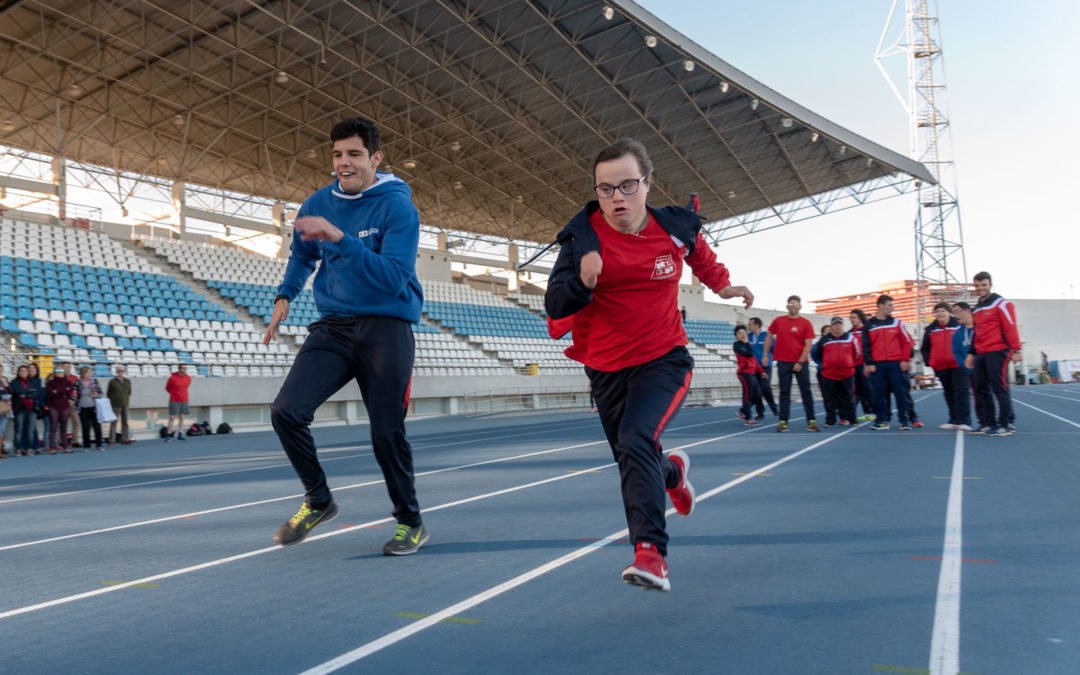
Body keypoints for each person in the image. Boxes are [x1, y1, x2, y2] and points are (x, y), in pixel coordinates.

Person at [545, 138, 753, 591]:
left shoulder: (672, 226)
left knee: (635, 438)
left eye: (627, 185)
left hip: (663, 358)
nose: (617, 197)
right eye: (605, 189)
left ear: (647, 183)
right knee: (632, 454)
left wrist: (723, 286)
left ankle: (651, 553)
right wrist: (583, 280)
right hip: (604, 366)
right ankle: (673, 473)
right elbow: (555, 300)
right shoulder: (583, 238)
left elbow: (699, 251)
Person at [263, 116, 428, 556]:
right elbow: (302, 254)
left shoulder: (398, 208)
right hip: (335, 325)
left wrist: (339, 237)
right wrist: (286, 294)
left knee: (386, 432)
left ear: (375, 159)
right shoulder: (317, 202)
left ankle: (410, 522)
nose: (344, 163)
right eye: (337, 155)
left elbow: (393, 278)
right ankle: (318, 500)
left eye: (354, 154)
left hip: (387, 327)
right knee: (286, 410)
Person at [964, 271, 1021, 436]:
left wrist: (1016, 349)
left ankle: (1005, 424)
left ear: (990, 285)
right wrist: (971, 353)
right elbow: (976, 333)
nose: (980, 288)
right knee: (980, 389)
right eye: (977, 285)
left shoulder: (1002, 304)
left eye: (984, 285)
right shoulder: (976, 309)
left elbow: (1010, 326)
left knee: (1000, 388)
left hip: (998, 351)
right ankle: (988, 423)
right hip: (981, 353)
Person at [763, 296, 819, 432]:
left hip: (801, 363)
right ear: (787, 307)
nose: (793, 306)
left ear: (800, 306)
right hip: (783, 362)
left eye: (796, 304)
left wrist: (800, 361)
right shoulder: (779, 321)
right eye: (790, 304)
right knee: (784, 392)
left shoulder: (805, 323)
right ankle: (783, 422)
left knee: (806, 391)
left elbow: (808, 344)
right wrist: (765, 354)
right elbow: (769, 336)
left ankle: (811, 421)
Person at [862, 294, 915, 430]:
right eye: (889, 305)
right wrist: (869, 363)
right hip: (878, 365)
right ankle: (881, 421)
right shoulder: (869, 325)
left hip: (896, 364)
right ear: (880, 305)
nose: (892, 308)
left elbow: (906, 342)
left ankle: (904, 421)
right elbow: (865, 346)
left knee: (900, 393)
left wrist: (904, 360)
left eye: (893, 305)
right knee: (878, 394)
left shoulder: (897, 323)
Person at [920, 302, 968, 430]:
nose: (940, 314)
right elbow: (925, 349)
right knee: (949, 393)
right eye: (937, 311)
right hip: (941, 366)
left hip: (959, 365)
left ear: (949, 312)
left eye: (943, 311)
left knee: (961, 392)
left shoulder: (959, 326)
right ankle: (953, 420)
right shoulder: (930, 329)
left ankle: (964, 421)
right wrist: (930, 362)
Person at [811, 317, 860, 426]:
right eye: (835, 324)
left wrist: (848, 364)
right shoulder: (824, 340)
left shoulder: (851, 338)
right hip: (829, 374)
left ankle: (852, 419)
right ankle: (830, 420)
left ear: (843, 325)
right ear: (831, 326)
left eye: (839, 324)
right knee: (829, 398)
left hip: (846, 373)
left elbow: (857, 354)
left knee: (848, 397)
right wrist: (828, 364)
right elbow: (818, 354)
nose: (837, 326)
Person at [950, 302, 976, 431]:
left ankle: (1005, 420)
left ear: (968, 311)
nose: (956, 315)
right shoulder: (957, 334)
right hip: (966, 369)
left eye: (958, 311)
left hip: (983, 367)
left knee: (993, 393)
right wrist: (963, 364)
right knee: (966, 394)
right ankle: (978, 422)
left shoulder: (980, 328)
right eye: (954, 312)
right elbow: (956, 352)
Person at [747, 317, 778, 419]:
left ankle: (774, 408)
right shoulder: (748, 337)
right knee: (757, 391)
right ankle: (760, 413)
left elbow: (775, 349)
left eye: (750, 324)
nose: (749, 326)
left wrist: (769, 360)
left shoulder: (767, 336)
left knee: (765, 387)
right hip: (753, 368)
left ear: (757, 325)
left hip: (765, 367)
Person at [848, 309, 876, 421]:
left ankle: (872, 411)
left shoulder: (867, 330)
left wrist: (870, 362)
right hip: (853, 365)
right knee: (857, 390)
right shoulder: (849, 333)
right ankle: (864, 412)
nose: (852, 320)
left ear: (860, 317)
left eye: (854, 317)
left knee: (868, 389)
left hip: (865, 364)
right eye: (850, 318)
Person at [732, 325, 763, 426]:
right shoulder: (737, 345)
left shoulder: (747, 344)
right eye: (739, 333)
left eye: (744, 332)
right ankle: (748, 418)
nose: (742, 334)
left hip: (751, 373)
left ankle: (743, 411)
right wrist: (746, 343)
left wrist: (761, 371)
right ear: (736, 336)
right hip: (744, 373)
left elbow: (753, 359)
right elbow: (749, 354)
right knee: (747, 395)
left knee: (758, 394)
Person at [10, 365, 43, 455]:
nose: (23, 372)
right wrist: (29, 391)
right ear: (18, 372)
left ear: (28, 372)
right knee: (19, 429)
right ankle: (18, 448)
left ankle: (29, 448)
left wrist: (26, 394)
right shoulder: (14, 382)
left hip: (31, 408)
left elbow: (36, 393)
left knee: (30, 430)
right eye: (21, 371)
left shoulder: (32, 382)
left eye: (25, 371)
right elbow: (18, 391)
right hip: (20, 408)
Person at [45, 367, 75, 453]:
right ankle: (52, 448)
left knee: (64, 427)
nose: (59, 372)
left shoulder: (68, 382)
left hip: (64, 406)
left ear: (64, 372)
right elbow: (50, 393)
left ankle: (65, 447)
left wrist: (57, 391)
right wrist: (62, 391)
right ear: (54, 372)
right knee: (53, 427)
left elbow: (69, 391)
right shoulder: (50, 382)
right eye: (57, 370)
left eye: (61, 370)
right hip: (53, 406)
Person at [811, 324, 836, 426]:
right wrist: (821, 364)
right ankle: (830, 418)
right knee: (827, 396)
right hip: (823, 372)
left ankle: (844, 416)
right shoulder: (818, 345)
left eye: (830, 331)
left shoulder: (836, 342)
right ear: (822, 333)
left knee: (839, 395)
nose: (828, 333)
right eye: (826, 331)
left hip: (836, 372)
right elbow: (813, 354)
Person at [75, 366, 104, 451]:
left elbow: (101, 393)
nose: (90, 374)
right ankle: (86, 446)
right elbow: (74, 395)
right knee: (85, 427)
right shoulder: (77, 383)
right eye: (88, 372)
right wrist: (75, 406)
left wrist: (97, 395)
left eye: (90, 372)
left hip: (94, 407)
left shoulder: (95, 382)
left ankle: (99, 445)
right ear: (83, 374)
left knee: (97, 426)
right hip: (83, 408)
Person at [164, 364, 191, 441]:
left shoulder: (188, 378)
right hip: (174, 400)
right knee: (172, 417)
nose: (185, 369)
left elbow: (186, 387)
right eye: (183, 368)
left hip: (184, 399)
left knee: (182, 417)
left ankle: (180, 433)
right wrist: (175, 393)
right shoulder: (172, 378)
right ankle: (168, 434)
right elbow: (167, 388)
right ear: (179, 369)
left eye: (186, 368)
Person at [107, 365, 132, 445]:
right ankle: (111, 440)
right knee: (114, 422)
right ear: (116, 372)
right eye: (119, 371)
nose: (121, 372)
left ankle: (124, 439)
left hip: (125, 403)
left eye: (122, 371)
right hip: (115, 404)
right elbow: (109, 393)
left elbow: (129, 392)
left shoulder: (128, 381)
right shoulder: (112, 381)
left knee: (125, 422)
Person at [27, 362, 45, 452]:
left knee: (32, 427)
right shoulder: (24, 380)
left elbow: (37, 393)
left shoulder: (38, 380)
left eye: (33, 368)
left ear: (36, 370)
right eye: (29, 368)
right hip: (24, 406)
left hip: (33, 406)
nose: (31, 370)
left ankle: (36, 446)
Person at [62, 361, 80, 448]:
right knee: (62, 422)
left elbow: (78, 390)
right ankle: (61, 441)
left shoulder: (75, 378)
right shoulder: (59, 377)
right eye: (65, 367)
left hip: (73, 402)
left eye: (68, 367)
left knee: (76, 422)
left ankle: (75, 441)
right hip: (62, 402)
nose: (67, 368)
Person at [0, 364, 11, 458]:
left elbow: (12, 391)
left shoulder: (4, 381)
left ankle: (0, 450)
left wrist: (6, 384)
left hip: (4, 408)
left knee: (2, 430)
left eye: (1, 370)